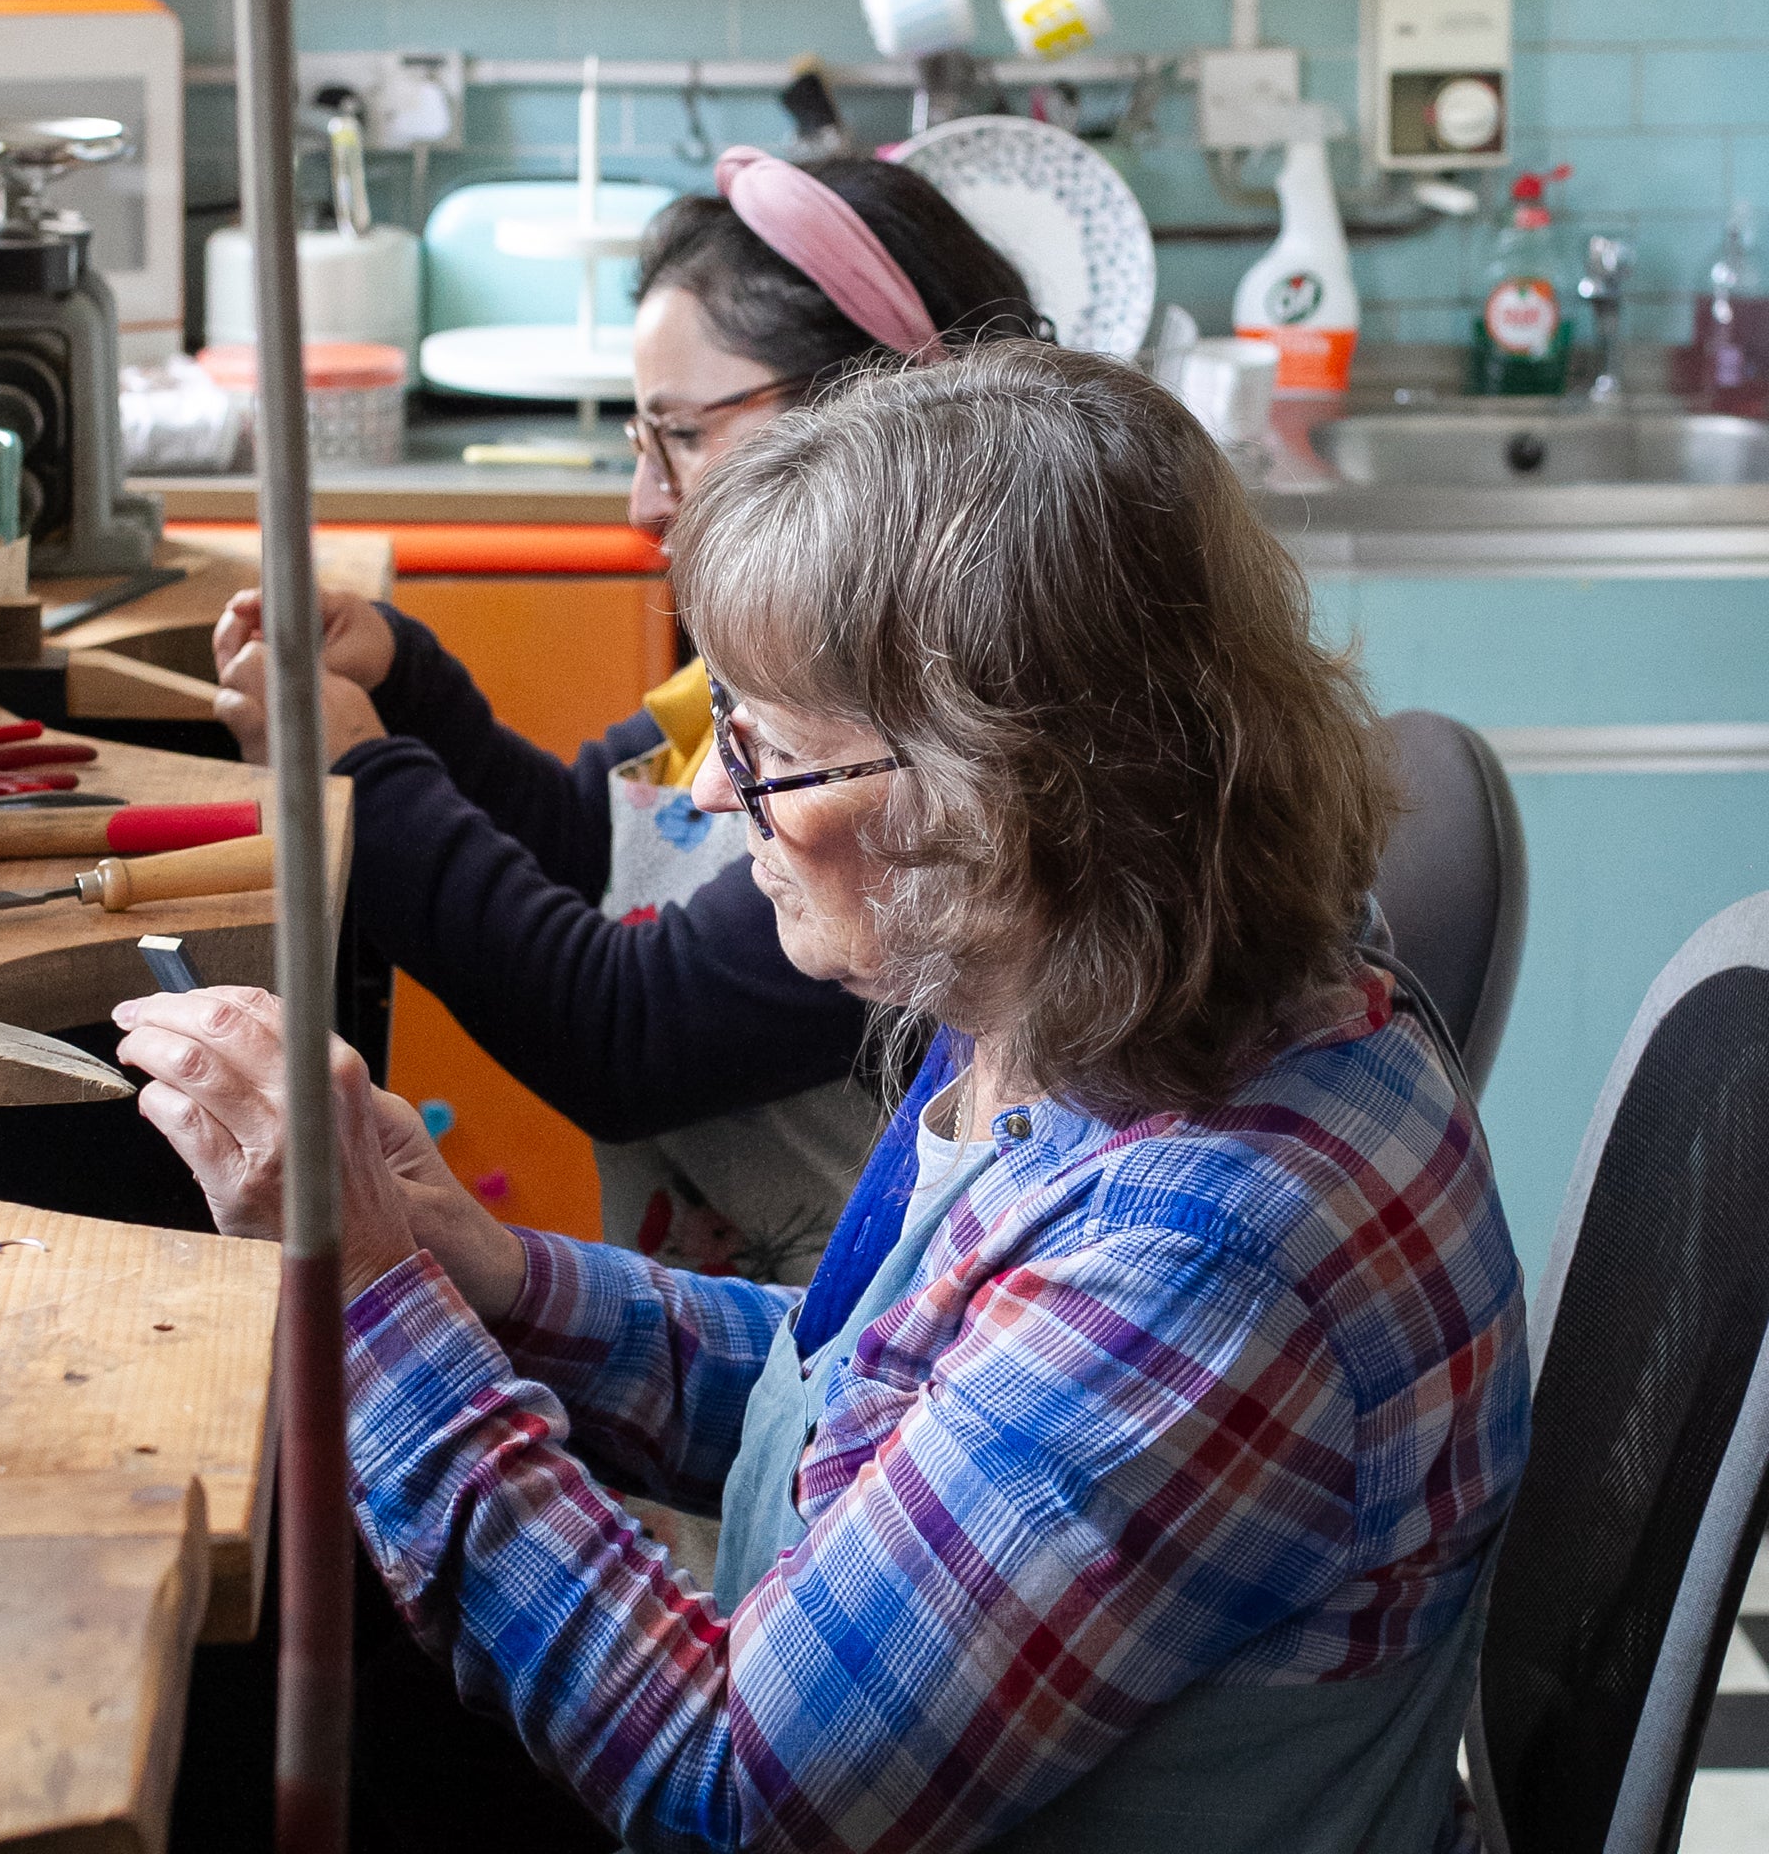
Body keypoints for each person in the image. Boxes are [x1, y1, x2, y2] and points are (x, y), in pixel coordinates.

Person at [121, 342, 1531, 1854]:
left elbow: (732, 1791)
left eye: (770, 751)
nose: (711, 796)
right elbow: (862, 1400)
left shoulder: (1197, 1260)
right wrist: (487, 1275)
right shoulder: (1073, 1000)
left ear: (999, 794)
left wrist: (372, 1302)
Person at [214, 148, 1041, 1284]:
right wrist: (406, 685)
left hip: (876, 1358)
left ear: (870, 404)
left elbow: (626, 1029)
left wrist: (360, 769)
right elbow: (592, 840)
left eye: (682, 434)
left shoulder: (934, 746)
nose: (645, 500)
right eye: (640, 441)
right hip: (727, 1345)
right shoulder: (770, 681)